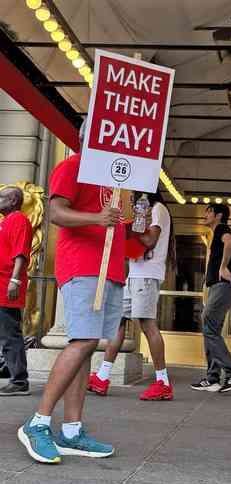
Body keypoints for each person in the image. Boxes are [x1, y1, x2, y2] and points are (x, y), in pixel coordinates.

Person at [18, 122, 125, 464]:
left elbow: (120, 228)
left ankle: (72, 430)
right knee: (80, 342)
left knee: (88, 344)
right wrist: (98, 216)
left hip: (109, 270)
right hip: (82, 267)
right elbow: (56, 213)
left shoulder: (117, 180)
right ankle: (38, 423)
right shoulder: (73, 165)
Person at [88, 187, 175, 401]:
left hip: (146, 275)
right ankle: (102, 376)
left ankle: (163, 382)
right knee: (118, 322)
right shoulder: (149, 210)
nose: (133, 197)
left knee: (147, 324)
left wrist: (132, 225)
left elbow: (149, 240)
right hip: (136, 274)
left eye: (135, 194)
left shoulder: (157, 209)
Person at [191, 203, 231, 393]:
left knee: (209, 327)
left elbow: (230, 242)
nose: (205, 215)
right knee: (210, 330)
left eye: (209, 212)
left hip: (222, 287)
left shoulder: (222, 229)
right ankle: (212, 378)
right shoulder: (215, 234)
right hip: (217, 288)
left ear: (219, 216)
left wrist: (223, 267)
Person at [0, 187, 33, 396]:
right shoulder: (7, 221)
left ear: (12, 200)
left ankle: (19, 381)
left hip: (6, 285)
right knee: (5, 333)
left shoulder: (18, 219)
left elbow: (20, 252)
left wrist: (14, 280)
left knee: (10, 334)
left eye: (1, 197)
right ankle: (11, 372)